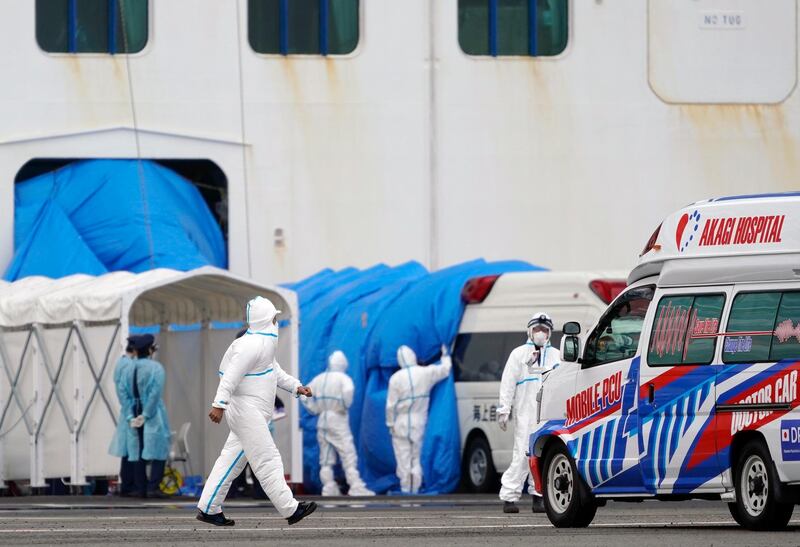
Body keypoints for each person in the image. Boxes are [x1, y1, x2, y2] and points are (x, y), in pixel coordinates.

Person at [196, 296, 317, 527]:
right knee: (267, 459)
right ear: (266, 319)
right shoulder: (251, 345)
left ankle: (208, 507)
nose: (276, 322)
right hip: (246, 411)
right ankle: (291, 509)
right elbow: (230, 376)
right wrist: (218, 405)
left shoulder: (263, 344)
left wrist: (296, 387)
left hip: (248, 412)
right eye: (274, 317)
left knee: (229, 462)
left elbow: (276, 373)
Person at [497, 312, 560, 514]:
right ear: (530, 331)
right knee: (522, 455)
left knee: (543, 456)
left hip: (548, 415)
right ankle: (509, 497)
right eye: (537, 329)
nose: (541, 333)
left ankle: (539, 497)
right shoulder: (518, 354)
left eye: (544, 329)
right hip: (526, 413)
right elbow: (508, 383)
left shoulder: (557, 355)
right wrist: (503, 409)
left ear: (550, 332)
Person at [302, 350, 374, 496]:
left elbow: (304, 393)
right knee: (347, 453)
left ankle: (329, 487)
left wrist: (314, 408)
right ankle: (355, 486)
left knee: (326, 456)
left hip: (322, 419)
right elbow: (348, 392)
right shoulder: (343, 378)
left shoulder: (319, 379)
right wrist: (343, 405)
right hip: (337, 418)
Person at [385, 344, 452, 494]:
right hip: (419, 420)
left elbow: (390, 406)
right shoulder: (425, 373)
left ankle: (404, 489)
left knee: (403, 458)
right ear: (413, 357)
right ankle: (415, 489)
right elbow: (445, 370)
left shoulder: (395, 378)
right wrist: (445, 355)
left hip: (400, 423)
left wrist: (390, 424)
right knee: (417, 456)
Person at [129, 334, 172, 498]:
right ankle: (153, 486)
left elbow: (123, 392)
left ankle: (141, 488)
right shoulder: (156, 368)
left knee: (138, 449)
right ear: (149, 349)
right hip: (152, 413)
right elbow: (154, 394)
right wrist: (146, 414)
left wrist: (130, 414)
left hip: (133, 410)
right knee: (159, 448)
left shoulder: (129, 367)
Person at [108, 335, 141, 496]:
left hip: (127, 409)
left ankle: (128, 483)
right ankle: (131, 484)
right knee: (133, 449)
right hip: (132, 409)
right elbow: (124, 390)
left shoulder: (121, 362)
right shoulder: (130, 365)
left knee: (128, 449)